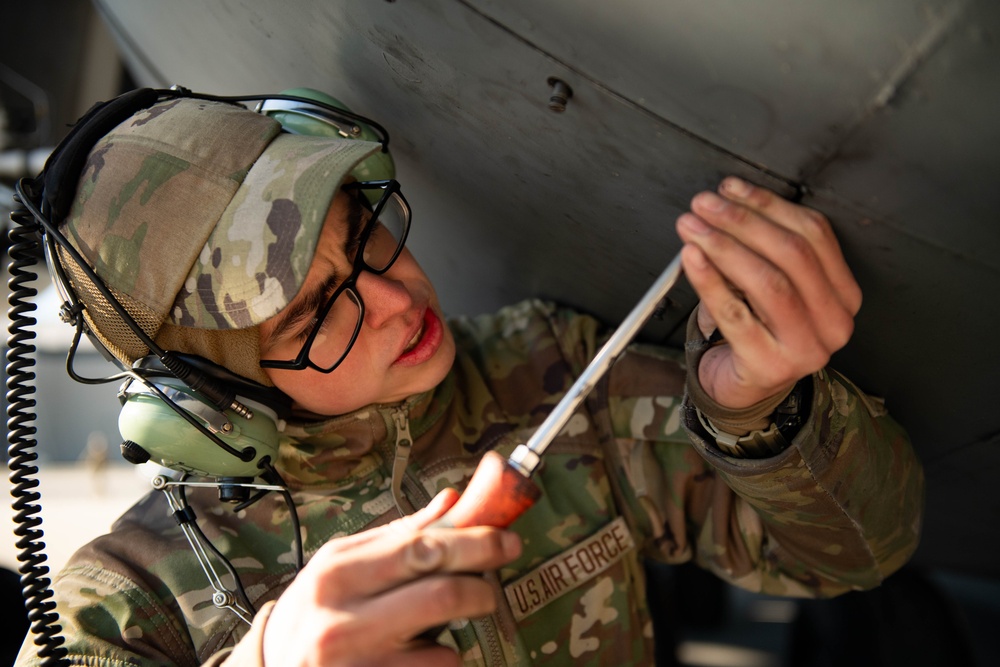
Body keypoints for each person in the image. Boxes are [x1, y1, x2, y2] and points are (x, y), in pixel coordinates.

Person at [14, 94, 923, 667]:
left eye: (363, 233)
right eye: (314, 312)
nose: (396, 297)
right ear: (210, 401)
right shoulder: (129, 604)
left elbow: (855, 551)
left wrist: (760, 413)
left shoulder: (551, 369)